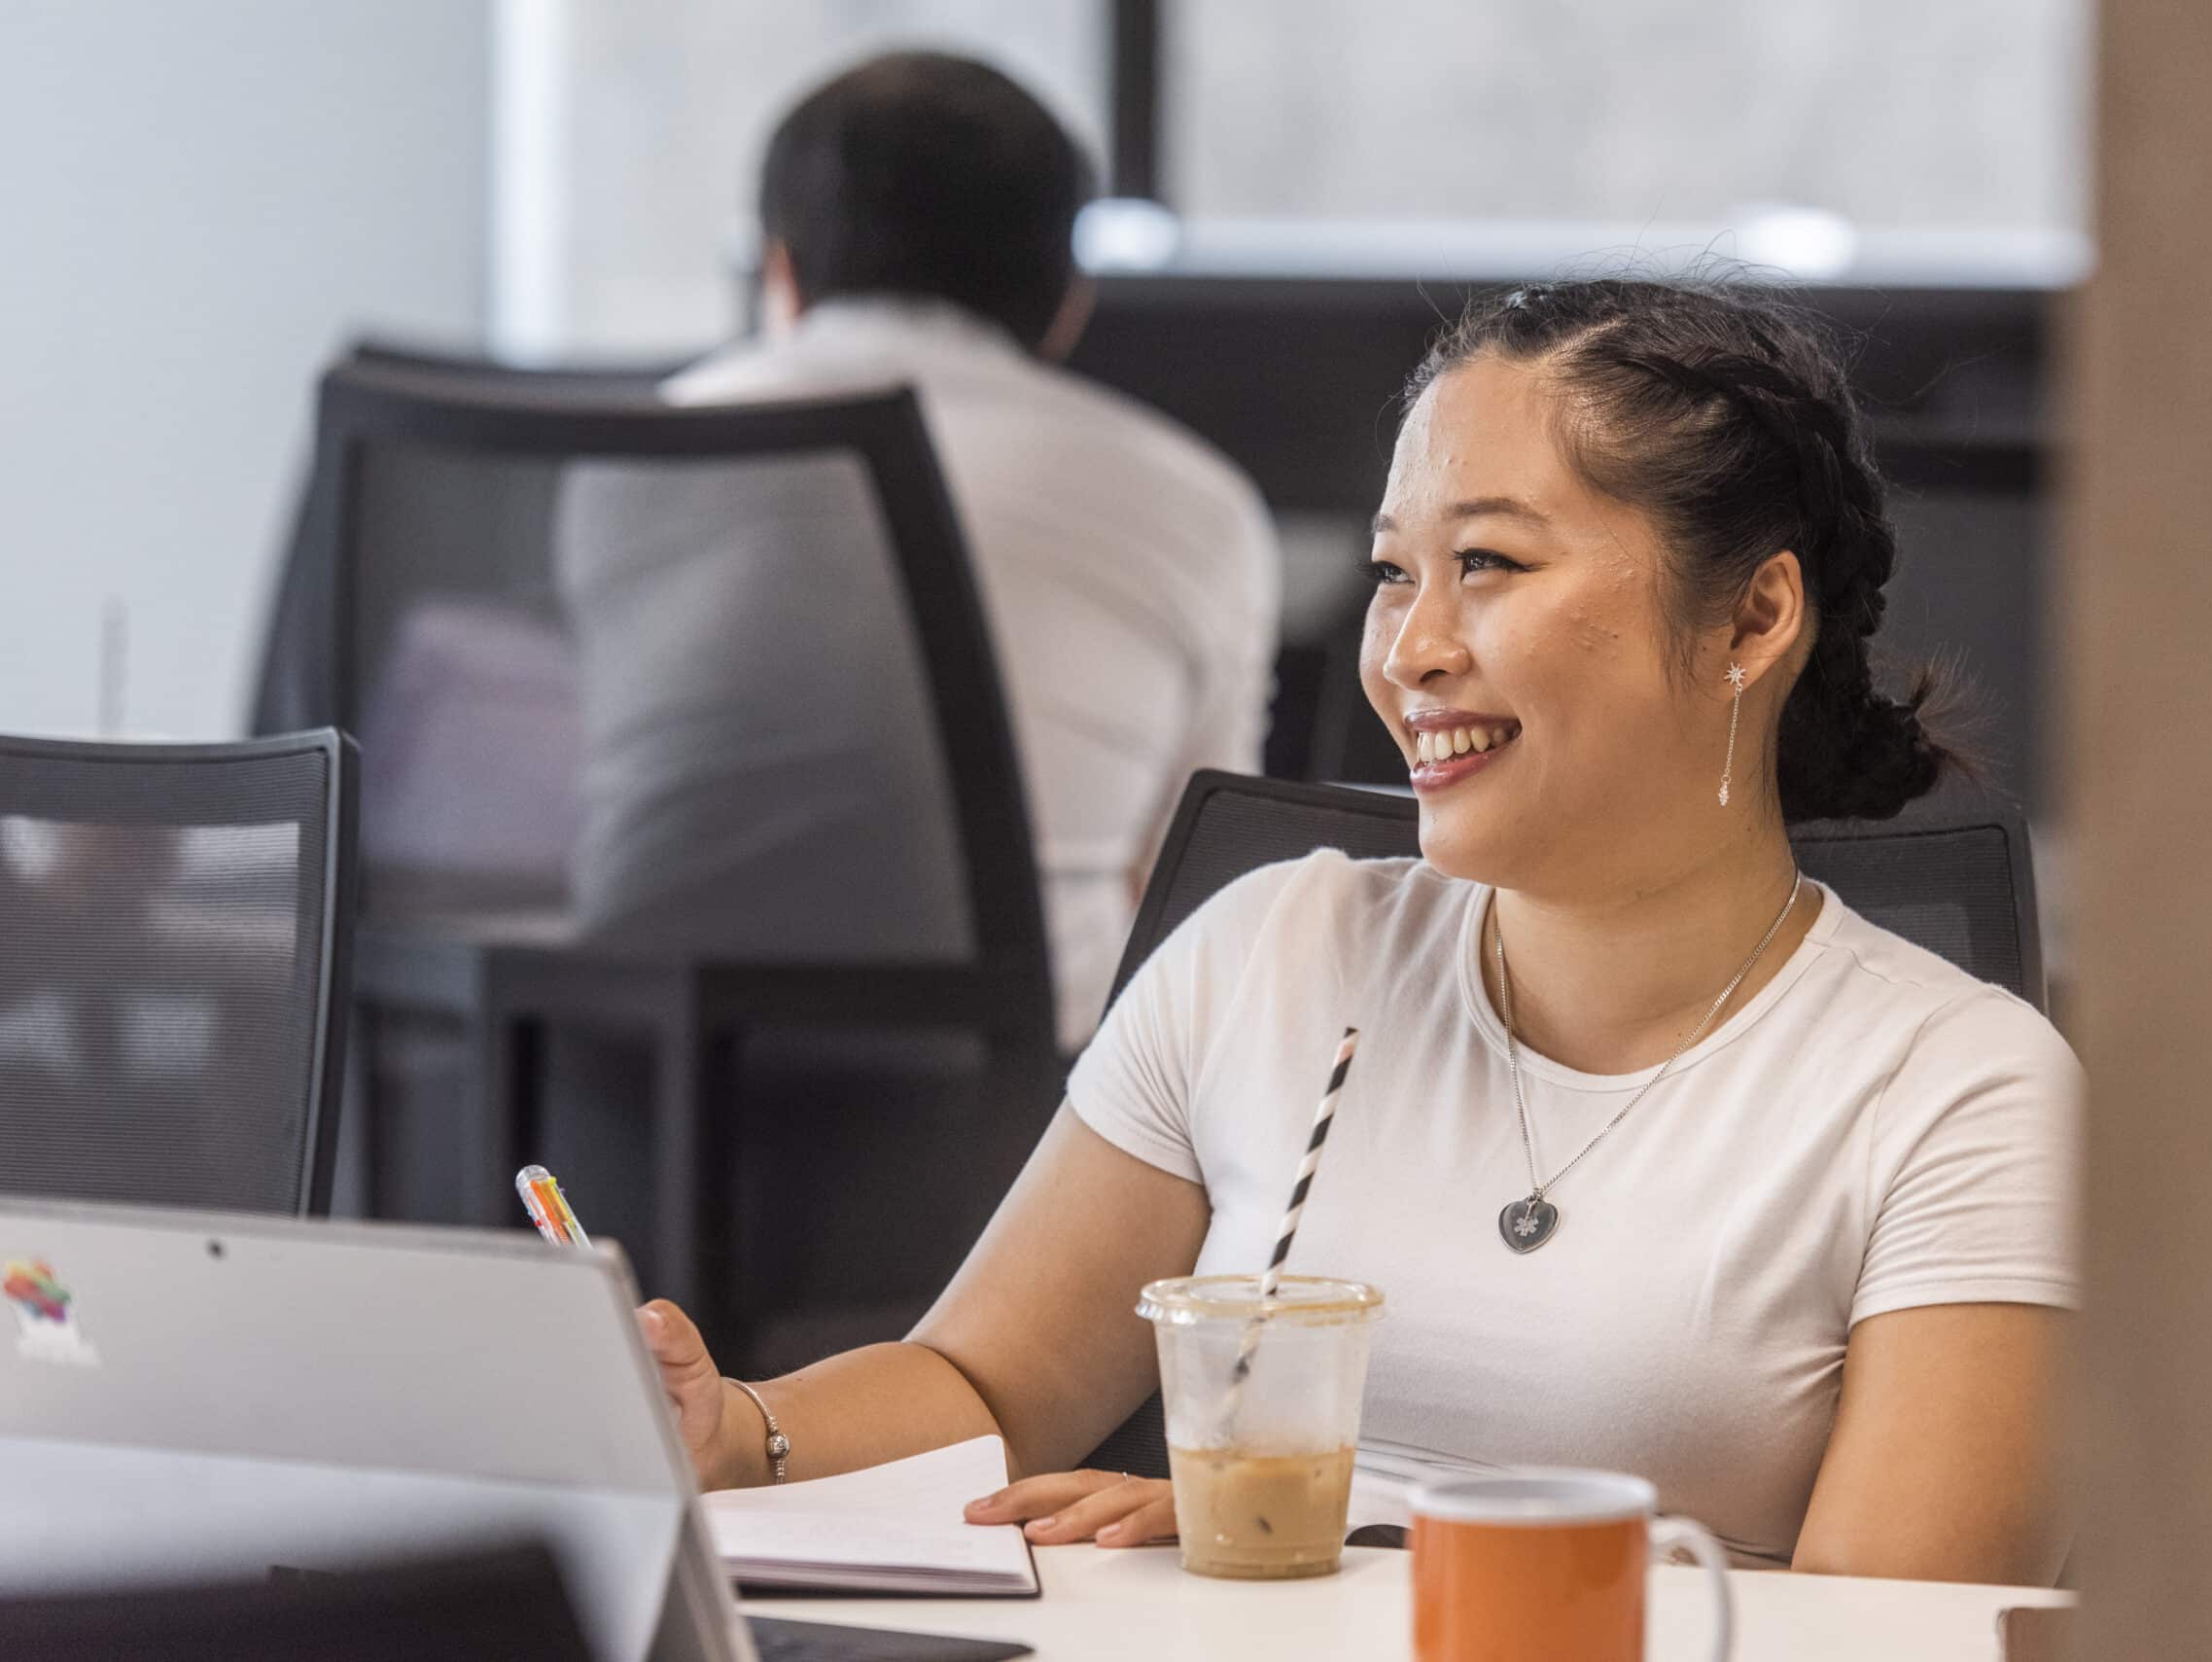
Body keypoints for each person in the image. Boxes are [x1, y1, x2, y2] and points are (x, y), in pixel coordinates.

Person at [636, 277, 2082, 1584]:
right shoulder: (1276, 947)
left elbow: (1892, 1629)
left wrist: (1354, 1546)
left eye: (1492, 566)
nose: (1411, 651)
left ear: (1756, 616)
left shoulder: (1961, 1092)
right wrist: (738, 1429)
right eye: (1398, 573)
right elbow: (983, 1392)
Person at [564, 53, 1280, 1049]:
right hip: (1017, 1141)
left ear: (778, 269)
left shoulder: (614, 464)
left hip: (606, 1102)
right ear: (1067, 294)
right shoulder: (1194, 500)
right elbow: (1195, 892)